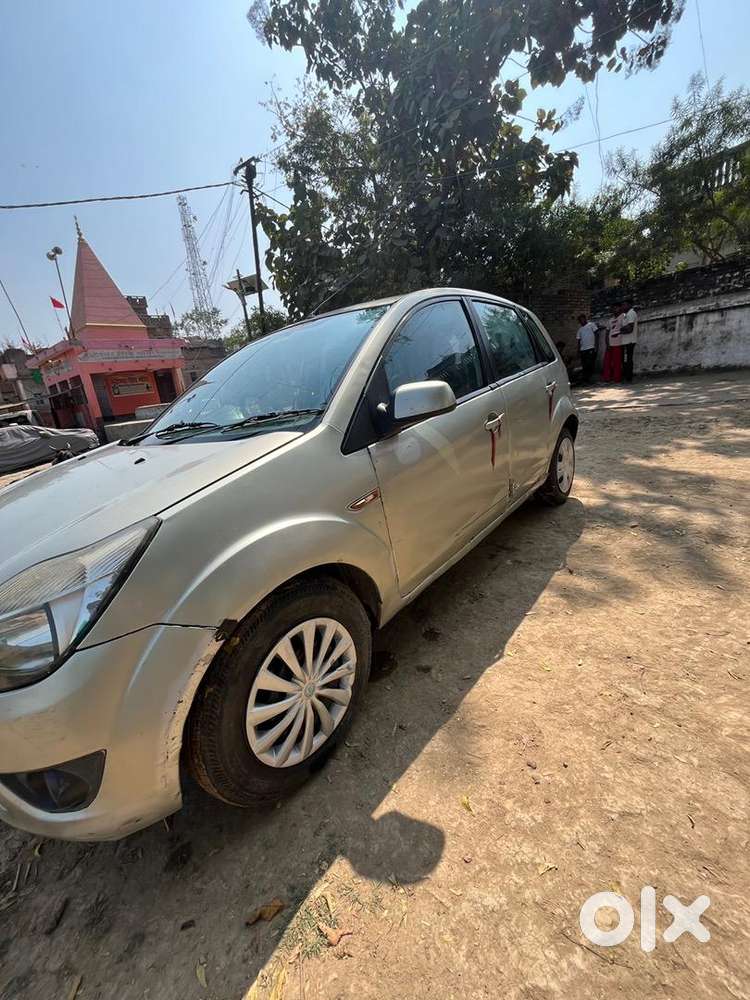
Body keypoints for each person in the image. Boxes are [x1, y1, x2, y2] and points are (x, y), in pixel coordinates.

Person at [602, 304, 624, 383]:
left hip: (618, 343)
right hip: (610, 344)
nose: (615, 309)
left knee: (617, 362)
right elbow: (607, 333)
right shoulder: (610, 320)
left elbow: (626, 328)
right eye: (613, 308)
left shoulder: (623, 317)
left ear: (620, 308)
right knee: (606, 362)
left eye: (616, 308)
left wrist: (618, 333)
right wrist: (607, 344)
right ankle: (607, 378)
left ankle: (616, 379)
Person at [619, 300, 639, 382]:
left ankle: (629, 378)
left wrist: (621, 329)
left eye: (624, 305)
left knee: (628, 360)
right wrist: (623, 329)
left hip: (629, 341)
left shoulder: (631, 313)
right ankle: (627, 377)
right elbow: (626, 327)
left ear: (629, 305)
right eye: (622, 305)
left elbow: (630, 328)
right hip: (625, 341)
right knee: (625, 360)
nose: (622, 307)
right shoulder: (626, 315)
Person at [576, 313, 598, 383]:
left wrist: (596, 345)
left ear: (585, 319)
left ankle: (591, 378)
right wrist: (578, 350)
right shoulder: (580, 330)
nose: (581, 321)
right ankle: (586, 379)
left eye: (582, 319)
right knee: (584, 365)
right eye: (580, 320)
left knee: (590, 364)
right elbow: (579, 341)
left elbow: (596, 335)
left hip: (591, 348)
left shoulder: (591, 325)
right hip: (583, 350)